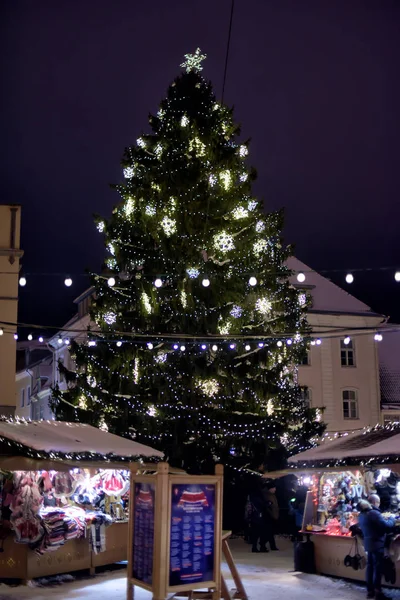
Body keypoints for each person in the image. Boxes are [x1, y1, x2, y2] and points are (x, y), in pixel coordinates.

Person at [358, 494, 395, 600]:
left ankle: (370, 592)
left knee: (370, 567)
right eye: (378, 503)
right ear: (374, 503)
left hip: (368, 544)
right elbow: (386, 526)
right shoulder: (374, 513)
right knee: (377, 569)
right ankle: (378, 593)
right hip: (377, 544)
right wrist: (392, 519)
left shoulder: (362, 514)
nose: (379, 505)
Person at [262, 480, 279, 551]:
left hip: (272, 515)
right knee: (269, 532)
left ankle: (271, 545)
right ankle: (263, 544)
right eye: (274, 488)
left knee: (270, 532)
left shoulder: (272, 495)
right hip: (269, 516)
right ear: (270, 488)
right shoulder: (266, 495)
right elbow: (267, 506)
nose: (275, 489)